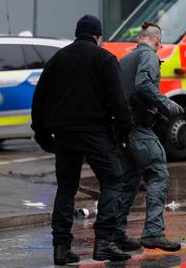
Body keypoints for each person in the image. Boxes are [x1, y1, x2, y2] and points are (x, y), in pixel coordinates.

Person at [31, 15, 133, 265]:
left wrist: (42, 134)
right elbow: (118, 101)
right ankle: (105, 242)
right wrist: (124, 131)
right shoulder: (104, 58)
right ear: (98, 36)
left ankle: (61, 248)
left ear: (77, 33)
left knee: (66, 188)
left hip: (64, 134)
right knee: (112, 179)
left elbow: (39, 98)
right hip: (95, 132)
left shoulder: (58, 59)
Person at [114, 22, 184, 252]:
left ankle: (115, 234)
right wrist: (167, 105)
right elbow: (143, 85)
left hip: (123, 130)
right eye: (160, 42)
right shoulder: (149, 57)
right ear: (155, 40)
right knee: (158, 173)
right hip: (139, 129)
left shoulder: (125, 60)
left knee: (130, 181)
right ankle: (153, 232)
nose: (160, 45)